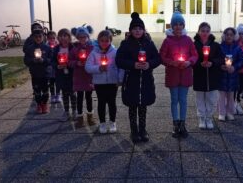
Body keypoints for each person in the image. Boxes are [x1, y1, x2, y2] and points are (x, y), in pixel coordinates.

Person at [116, 12, 161, 143]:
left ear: (143, 30)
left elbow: (157, 58)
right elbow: (119, 60)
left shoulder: (149, 43)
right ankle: (134, 130)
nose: (137, 31)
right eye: (135, 29)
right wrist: (133, 65)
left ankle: (143, 129)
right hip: (131, 81)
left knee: (142, 107)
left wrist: (149, 64)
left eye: (140, 28)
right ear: (130, 31)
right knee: (132, 106)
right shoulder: (126, 44)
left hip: (145, 80)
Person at [160, 12, 198, 137]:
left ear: (183, 25)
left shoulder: (188, 40)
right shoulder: (167, 41)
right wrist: (172, 63)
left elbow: (194, 55)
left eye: (180, 24)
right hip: (173, 74)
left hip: (185, 74)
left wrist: (189, 62)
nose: (177, 26)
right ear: (171, 26)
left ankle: (183, 123)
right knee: (174, 99)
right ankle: (175, 124)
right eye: (175, 24)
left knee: (183, 100)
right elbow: (162, 56)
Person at [85, 30, 124, 134]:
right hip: (99, 83)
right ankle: (102, 123)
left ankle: (112, 122)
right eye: (102, 41)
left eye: (107, 41)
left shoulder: (115, 52)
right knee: (101, 103)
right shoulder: (94, 53)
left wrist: (120, 79)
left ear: (110, 41)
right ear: (98, 41)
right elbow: (88, 67)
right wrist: (98, 68)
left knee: (112, 103)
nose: (104, 43)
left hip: (112, 82)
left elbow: (120, 66)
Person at [193, 22, 223, 127]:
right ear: (198, 32)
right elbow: (191, 58)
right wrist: (198, 64)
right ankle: (201, 117)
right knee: (200, 99)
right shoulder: (194, 45)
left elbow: (221, 58)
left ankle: (209, 117)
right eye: (202, 31)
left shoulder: (215, 45)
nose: (205, 33)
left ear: (210, 32)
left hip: (212, 76)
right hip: (199, 76)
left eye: (207, 31)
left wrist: (213, 63)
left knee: (212, 99)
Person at [69, 25, 96, 128]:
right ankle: (80, 118)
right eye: (80, 37)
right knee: (79, 97)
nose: (82, 39)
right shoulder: (75, 49)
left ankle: (90, 117)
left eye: (84, 37)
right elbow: (69, 61)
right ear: (77, 38)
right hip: (78, 76)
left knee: (89, 97)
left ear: (88, 37)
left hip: (89, 76)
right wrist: (76, 63)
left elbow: (95, 59)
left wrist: (91, 64)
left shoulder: (92, 48)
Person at [218, 27, 243, 121]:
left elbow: (241, 60)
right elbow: (218, 59)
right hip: (222, 76)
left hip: (233, 76)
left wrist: (235, 67)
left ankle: (230, 112)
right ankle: (221, 112)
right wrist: (221, 66)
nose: (229, 36)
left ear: (234, 36)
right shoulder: (220, 47)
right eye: (227, 35)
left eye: (231, 35)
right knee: (221, 96)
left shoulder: (237, 48)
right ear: (224, 36)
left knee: (231, 95)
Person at [23, 29, 51, 114]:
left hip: (45, 73)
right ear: (33, 37)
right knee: (37, 91)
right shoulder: (30, 48)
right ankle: (39, 104)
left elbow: (51, 59)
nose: (38, 38)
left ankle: (44, 104)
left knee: (45, 90)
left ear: (43, 37)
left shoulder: (47, 47)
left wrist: (44, 60)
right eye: (36, 37)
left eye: (40, 36)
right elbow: (26, 60)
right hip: (35, 74)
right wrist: (33, 61)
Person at [52, 28, 77, 121]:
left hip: (72, 74)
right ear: (58, 38)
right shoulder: (56, 49)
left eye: (65, 35)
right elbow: (52, 61)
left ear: (69, 37)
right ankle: (66, 112)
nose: (63, 38)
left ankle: (75, 110)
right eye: (61, 36)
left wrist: (70, 64)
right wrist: (57, 66)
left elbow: (76, 59)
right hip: (61, 74)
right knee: (65, 94)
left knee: (73, 93)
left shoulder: (73, 47)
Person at [46, 31, 61, 104]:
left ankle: (58, 94)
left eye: (53, 38)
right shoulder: (46, 47)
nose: (52, 40)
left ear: (56, 38)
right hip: (50, 69)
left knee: (58, 82)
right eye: (50, 38)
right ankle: (52, 95)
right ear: (47, 38)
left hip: (57, 68)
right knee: (51, 83)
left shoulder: (58, 46)